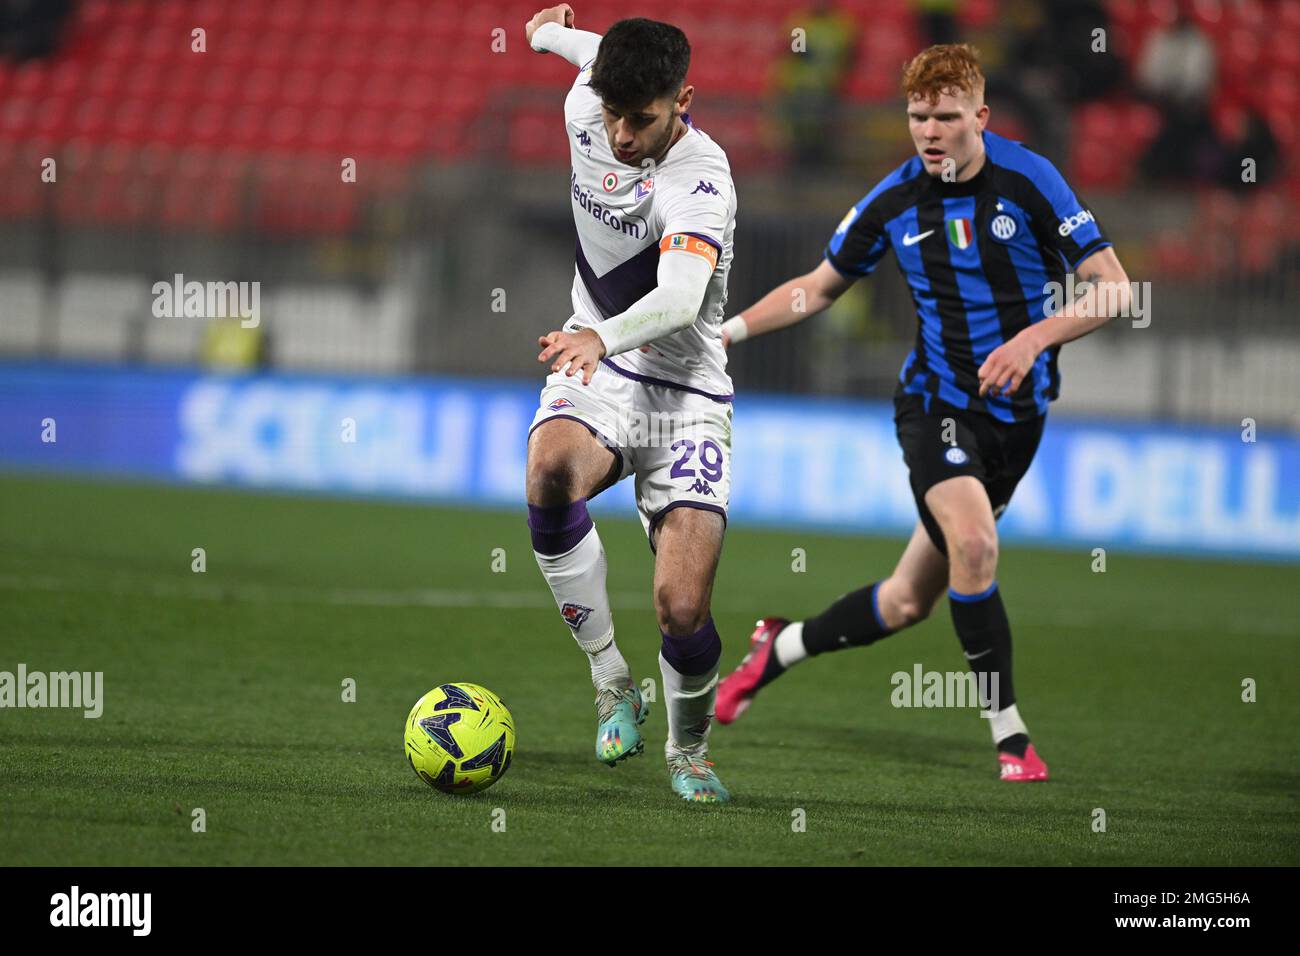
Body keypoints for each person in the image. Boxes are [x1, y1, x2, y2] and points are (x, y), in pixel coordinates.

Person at [717, 43, 1134, 782]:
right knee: (974, 547)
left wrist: (1033, 339)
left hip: (1020, 419)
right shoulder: (894, 199)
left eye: (946, 116)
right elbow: (816, 288)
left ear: (980, 115)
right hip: (935, 405)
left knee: (909, 599)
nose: (930, 131)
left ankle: (778, 647)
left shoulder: (1032, 181)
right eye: (917, 116)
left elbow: (1113, 289)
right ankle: (1011, 739)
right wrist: (727, 333)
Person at [524, 5, 738, 802]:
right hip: (604, 364)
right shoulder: (590, 98)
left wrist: (602, 339)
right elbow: (588, 54)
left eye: (640, 118)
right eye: (611, 112)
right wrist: (548, 33)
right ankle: (613, 681)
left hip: (685, 393)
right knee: (549, 473)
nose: (619, 134)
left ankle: (688, 751)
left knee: (682, 606)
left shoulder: (701, 178)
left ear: (685, 100)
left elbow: (681, 298)